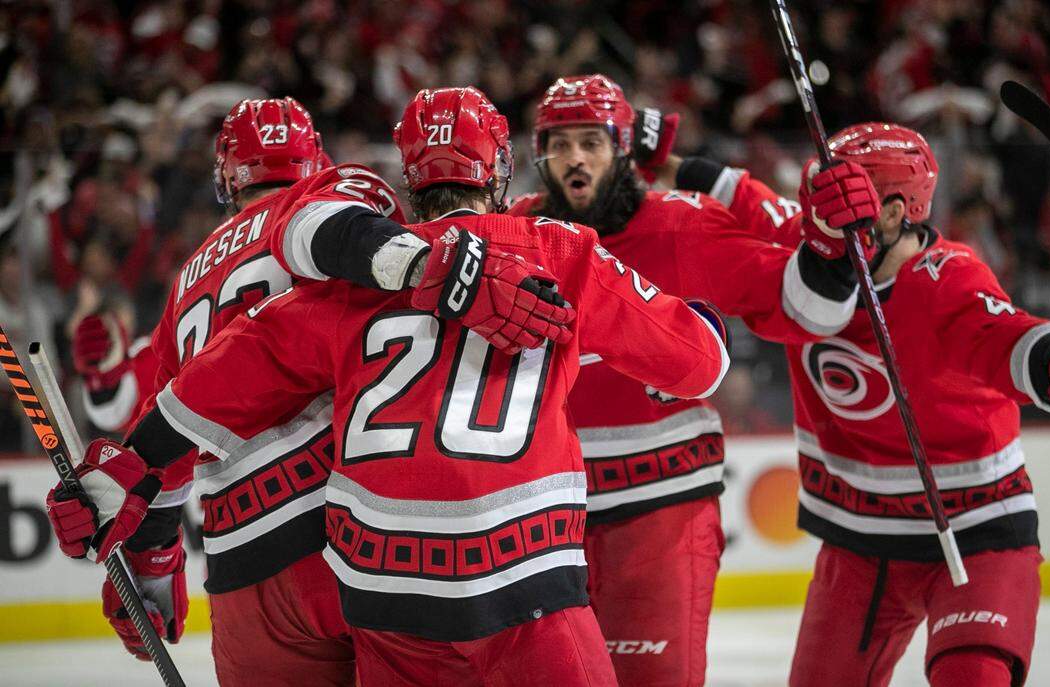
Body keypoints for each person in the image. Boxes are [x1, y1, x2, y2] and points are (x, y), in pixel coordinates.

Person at [41, 86, 740, 686]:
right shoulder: (540, 247)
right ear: (500, 169)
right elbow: (700, 362)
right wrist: (697, 317)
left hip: (358, 583)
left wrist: (136, 482)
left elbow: (217, 378)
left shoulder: (299, 291)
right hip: (517, 579)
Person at [660, 122, 1050, 687]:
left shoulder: (949, 281)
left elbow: (1011, 338)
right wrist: (653, 158)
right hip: (859, 547)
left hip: (975, 533)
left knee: (974, 678)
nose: (823, 213)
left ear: (892, 213)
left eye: (846, 200)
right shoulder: (808, 244)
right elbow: (743, 195)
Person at [505, 74, 879, 685]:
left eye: (591, 142)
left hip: (660, 516)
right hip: (540, 516)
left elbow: (811, 310)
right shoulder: (517, 232)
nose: (574, 158)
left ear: (622, 150)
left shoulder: (682, 224)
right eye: (559, 143)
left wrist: (834, 238)